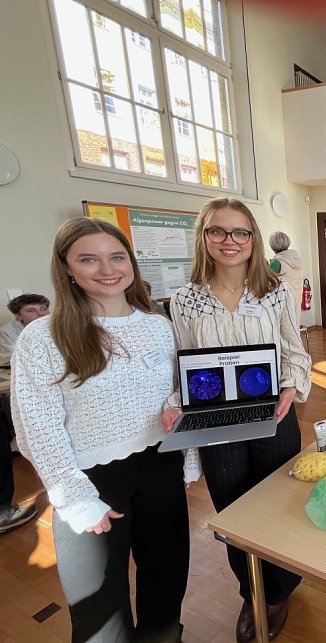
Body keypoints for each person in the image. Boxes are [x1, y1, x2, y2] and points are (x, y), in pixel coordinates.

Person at [11, 217, 198, 641]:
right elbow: (38, 427)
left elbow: (176, 391)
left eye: (116, 256)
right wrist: (76, 498)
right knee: (100, 613)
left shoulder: (158, 326)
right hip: (91, 480)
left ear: (130, 262)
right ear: (67, 269)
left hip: (159, 466)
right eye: (88, 259)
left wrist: (175, 408)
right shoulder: (44, 337)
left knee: (166, 581)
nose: (107, 268)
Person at [166, 198, 311, 643]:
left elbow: (295, 351)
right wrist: (177, 402)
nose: (230, 241)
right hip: (216, 422)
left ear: (253, 239)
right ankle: (252, 592)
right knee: (234, 513)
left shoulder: (275, 292)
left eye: (240, 233)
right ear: (203, 237)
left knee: (280, 506)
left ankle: (280, 589)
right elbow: (180, 365)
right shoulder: (184, 300)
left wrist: (290, 386)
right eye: (218, 231)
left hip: (273, 414)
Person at [1, 293, 50, 534]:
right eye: (32, 310)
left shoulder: (53, 326)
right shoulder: (9, 333)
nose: (40, 314)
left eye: (43, 309)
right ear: (18, 316)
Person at [268, 231, 304, 315]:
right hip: (296, 298)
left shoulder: (276, 262)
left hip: (283, 301)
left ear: (272, 246)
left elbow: (266, 282)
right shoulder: (296, 258)